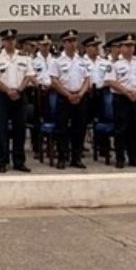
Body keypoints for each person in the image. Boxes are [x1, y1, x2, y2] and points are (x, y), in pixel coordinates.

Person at [0, 29, 35, 173]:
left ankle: (19, 161)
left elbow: (29, 75)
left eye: (12, 39)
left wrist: (19, 90)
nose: (10, 42)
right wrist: (8, 90)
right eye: (7, 39)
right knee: (1, 130)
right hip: (2, 95)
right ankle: (2, 161)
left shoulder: (24, 57)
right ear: (2, 41)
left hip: (20, 95)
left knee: (19, 129)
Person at [105, 33, 136, 169]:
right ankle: (120, 158)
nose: (130, 48)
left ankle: (134, 157)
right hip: (121, 99)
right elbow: (110, 81)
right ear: (121, 47)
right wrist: (126, 92)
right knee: (121, 129)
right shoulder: (114, 65)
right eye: (127, 46)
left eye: (132, 46)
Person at [49, 30, 90, 169]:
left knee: (79, 129)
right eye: (70, 41)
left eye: (74, 41)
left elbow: (87, 80)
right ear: (64, 43)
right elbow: (54, 81)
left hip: (80, 97)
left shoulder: (82, 61)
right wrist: (68, 95)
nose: (73, 44)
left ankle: (76, 158)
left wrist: (80, 94)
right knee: (62, 129)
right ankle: (62, 157)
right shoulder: (57, 61)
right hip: (64, 97)